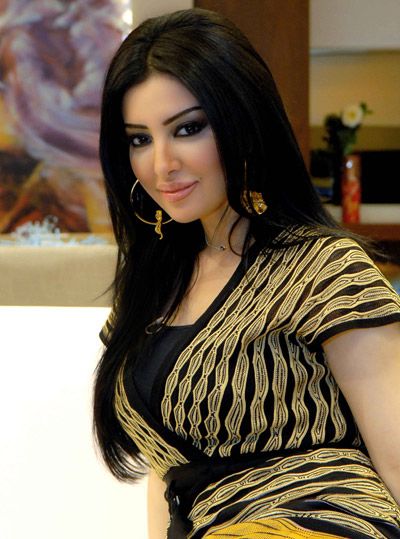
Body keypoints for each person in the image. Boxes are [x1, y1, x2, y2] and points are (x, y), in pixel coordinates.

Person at [93, 8, 400, 539]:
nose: (161, 164)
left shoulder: (323, 268)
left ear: (242, 122)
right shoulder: (147, 291)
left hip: (323, 519)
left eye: (188, 129)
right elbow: (168, 469)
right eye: (139, 139)